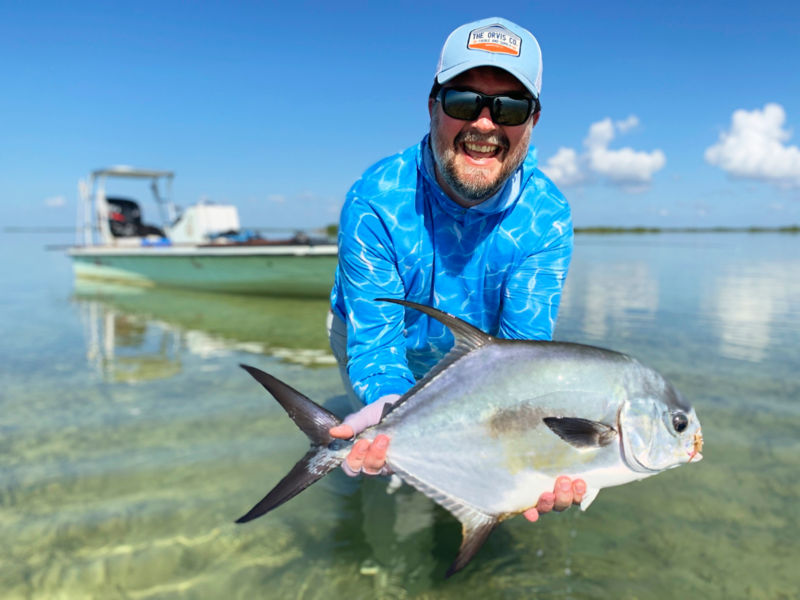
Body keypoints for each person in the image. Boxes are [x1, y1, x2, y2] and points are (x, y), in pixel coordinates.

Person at [327, 17, 584, 522]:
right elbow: (376, 344)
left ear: (533, 120)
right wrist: (388, 408)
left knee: (488, 465)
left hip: (478, 355)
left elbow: (519, 364)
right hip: (372, 336)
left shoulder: (547, 217)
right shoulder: (374, 200)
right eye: (464, 101)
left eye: (510, 107)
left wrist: (531, 454)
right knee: (392, 489)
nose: (485, 124)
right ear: (432, 105)